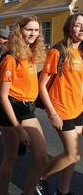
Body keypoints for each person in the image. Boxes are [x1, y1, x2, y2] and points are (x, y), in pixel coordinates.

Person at [0, 15, 48, 195]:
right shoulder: (10, 58)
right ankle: (3, 192)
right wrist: (18, 128)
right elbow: (3, 96)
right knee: (10, 157)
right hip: (12, 109)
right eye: (29, 29)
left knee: (41, 158)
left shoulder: (31, 54)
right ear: (19, 31)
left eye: (36, 30)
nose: (33, 33)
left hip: (28, 109)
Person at [37, 13, 83, 195]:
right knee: (73, 154)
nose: (82, 28)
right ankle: (39, 177)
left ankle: (62, 191)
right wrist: (53, 113)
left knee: (70, 156)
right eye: (79, 25)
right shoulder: (58, 51)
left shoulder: (81, 52)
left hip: (78, 109)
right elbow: (42, 85)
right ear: (69, 28)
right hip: (61, 110)